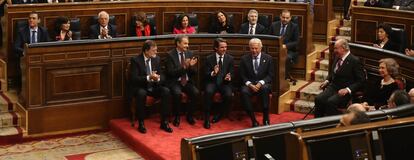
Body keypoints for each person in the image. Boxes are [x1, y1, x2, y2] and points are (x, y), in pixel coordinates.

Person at [130, 40, 172, 134]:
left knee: (166, 91)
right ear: (146, 51)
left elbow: (162, 75)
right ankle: (141, 123)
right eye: (154, 50)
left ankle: (164, 122)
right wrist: (149, 77)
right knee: (141, 93)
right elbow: (134, 79)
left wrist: (157, 78)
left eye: (156, 50)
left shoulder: (156, 59)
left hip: (153, 87)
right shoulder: (136, 60)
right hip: (141, 87)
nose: (156, 52)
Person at [314, 39, 365, 117]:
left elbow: (361, 81)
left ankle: (333, 124)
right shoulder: (338, 57)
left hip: (345, 91)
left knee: (331, 102)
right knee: (319, 99)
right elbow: (333, 72)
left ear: (343, 48)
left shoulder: (354, 61)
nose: (334, 50)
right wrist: (327, 80)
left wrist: (348, 89)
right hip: (333, 87)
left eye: (336, 48)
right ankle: (317, 123)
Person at [165, 35, 199, 127]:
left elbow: (194, 72)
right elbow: (171, 73)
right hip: (175, 81)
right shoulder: (170, 55)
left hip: (187, 81)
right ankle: (177, 116)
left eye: (187, 43)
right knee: (177, 94)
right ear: (178, 43)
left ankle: (190, 116)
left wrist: (191, 66)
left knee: (195, 92)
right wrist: (184, 67)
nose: (187, 46)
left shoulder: (190, 53)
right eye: (185, 43)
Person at [239, 38, 274, 127]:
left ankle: (266, 118)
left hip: (262, 84)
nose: (254, 50)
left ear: (260, 48)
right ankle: (253, 120)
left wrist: (260, 83)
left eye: (256, 48)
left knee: (265, 88)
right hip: (249, 84)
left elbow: (270, 75)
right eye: (252, 48)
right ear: (249, 48)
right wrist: (250, 85)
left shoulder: (268, 58)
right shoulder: (244, 59)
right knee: (243, 91)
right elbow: (242, 76)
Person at [203, 38, 234, 129]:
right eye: (222, 47)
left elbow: (232, 72)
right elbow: (205, 73)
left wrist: (229, 76)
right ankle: (207, 118)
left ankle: (220, 114)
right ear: (216, 48)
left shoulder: (230, 58)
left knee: (228, 95)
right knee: (208, 92)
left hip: (224, 83)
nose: (224, 49)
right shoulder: (209, 58)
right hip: (212, 81)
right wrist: (213, 73)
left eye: (225, 47)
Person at [268, 9, 299, 84]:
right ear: (280, 17)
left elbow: (296, 42)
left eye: (287, 18)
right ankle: (271, 78)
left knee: (286, 58)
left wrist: (285, 46)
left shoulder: (294, 26)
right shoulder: (274, 25)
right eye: (283, 17)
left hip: (289, 50)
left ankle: (282, 79)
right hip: (275, 49)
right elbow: (269, 37)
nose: (285, 19)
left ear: (290, 18)